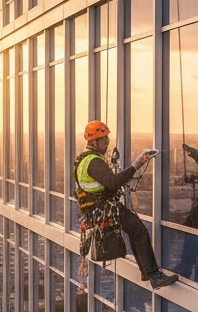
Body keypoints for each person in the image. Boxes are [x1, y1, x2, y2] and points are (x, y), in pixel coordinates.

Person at [75, 120, 179, 289]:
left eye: (107, 139)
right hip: (104, 208)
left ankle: (150, 273)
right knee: (139, 231)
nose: (107, 143)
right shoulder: (94, 161)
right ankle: (152, 275)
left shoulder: (83, 159)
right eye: (103, 140)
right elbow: (113, 182)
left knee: (136, 231)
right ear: (93, 141)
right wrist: (137, 164)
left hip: (96, 208)